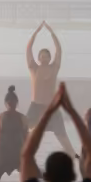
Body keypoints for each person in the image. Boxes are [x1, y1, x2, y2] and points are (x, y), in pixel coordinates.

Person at [26, 23, 74, 155]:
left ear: (50, 57)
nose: (44, 58)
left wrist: (52, 33)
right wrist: (35, 34)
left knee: (61, 134)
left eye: (46, 56)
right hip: (36, 106)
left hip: (51, 107)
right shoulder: (33, 68)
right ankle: (22, 156)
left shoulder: (54, 68)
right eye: (41, 56)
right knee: (25, 129)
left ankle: (74, 156)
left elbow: (59, 50)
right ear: (38, 58)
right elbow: (28, 50)